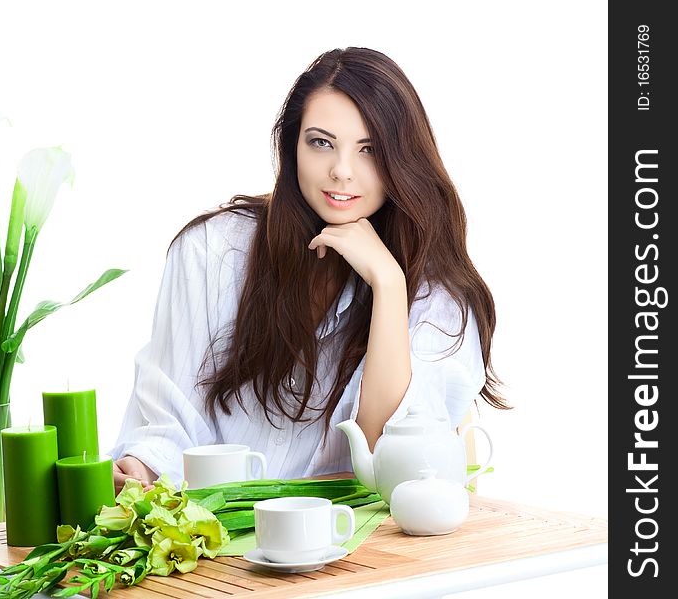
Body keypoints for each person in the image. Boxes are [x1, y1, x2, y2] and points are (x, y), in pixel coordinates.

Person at [109, 47, 507, 493]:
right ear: (292, 145)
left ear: (402, 159)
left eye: (369, 149)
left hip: (358, 547)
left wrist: (389, 285)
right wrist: (141, 469)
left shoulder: (437, 294)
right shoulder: (211, 250)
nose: (341, 171)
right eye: (321, 142)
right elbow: (168, 420)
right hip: (213, 544)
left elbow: (390, 461)